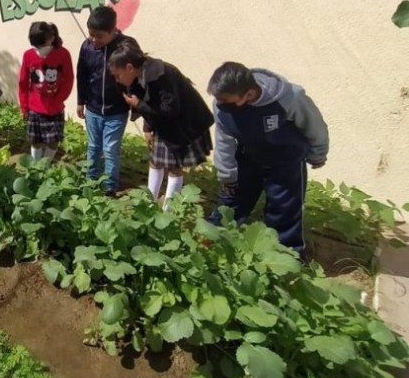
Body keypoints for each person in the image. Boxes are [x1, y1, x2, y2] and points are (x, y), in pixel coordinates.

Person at [207, 61, 329, 255]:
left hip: (285, 162)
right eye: (218, 99)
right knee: (230, 203)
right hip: (248, 157)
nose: (220, 104)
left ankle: (285, 260)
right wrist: (227, 174)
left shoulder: (289, 97)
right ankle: (210, 245)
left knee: (283, 213)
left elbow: (314, 126)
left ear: (249, 94)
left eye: (226, 101)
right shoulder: (222, 106)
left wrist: (318, 153)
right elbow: (224, 141)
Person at [108, 42, 214, 206]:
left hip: (183, 123)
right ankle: (149, 202)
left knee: (173, 167)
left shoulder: (161, 75)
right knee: (155, 161)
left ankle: (169, 209)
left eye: (118, 75)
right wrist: (147, 127)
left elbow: (169, 109)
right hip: (164, 122)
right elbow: (148, 101)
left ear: (129, 67)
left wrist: (139, 105)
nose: (117, 80)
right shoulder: (139, 75)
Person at [76, 6, 139, 196]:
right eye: (91, 34)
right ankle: (90, 179)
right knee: (93, 146)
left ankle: (110, 187)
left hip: (117, 110)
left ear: (113, 31)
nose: (94, 40)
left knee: (111, 149)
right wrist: (81, 100)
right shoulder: (87, 46)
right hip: (93, 108)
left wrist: (137, 106)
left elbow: (136, 76)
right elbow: (82, 74)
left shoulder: (126, 47)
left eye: (99, 36)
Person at [18, 21, 74, 161]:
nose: (39, 49)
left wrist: (59, 99)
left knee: (54, 141)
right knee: (35, 141)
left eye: (42, 45)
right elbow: (23, 83)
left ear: (51, 38)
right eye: (36, 46)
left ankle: (45, 165)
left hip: (55, 107)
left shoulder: (63, 54)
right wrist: (24, 107)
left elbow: (68, 79)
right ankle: (36, 167)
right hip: (35, 107)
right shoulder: (28, 55)